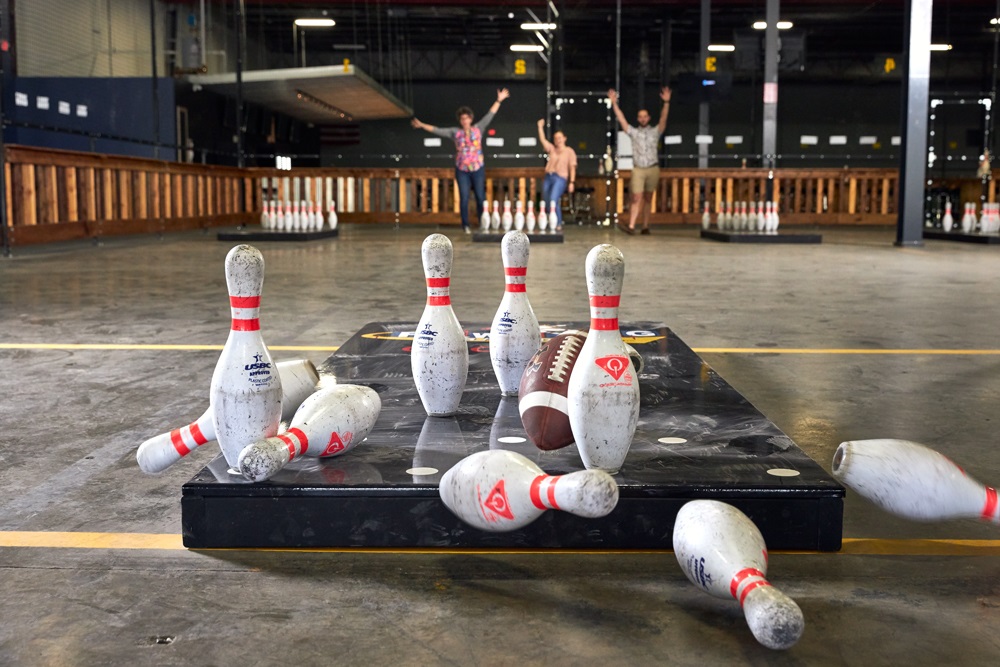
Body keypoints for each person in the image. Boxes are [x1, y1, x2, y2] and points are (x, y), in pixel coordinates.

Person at [411, 89, 511, 233]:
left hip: (477, 168)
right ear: (460, 120)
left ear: (471, 119)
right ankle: (466, 225)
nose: (465, 121)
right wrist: (421, 125)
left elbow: (490, 115)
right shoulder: (455, 132)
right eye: (462, 119)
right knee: (464, 197)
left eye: (467, 118)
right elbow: (437, 130)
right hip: (462, 169)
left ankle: (482, 223)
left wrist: (499, 100)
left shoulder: (478, 129)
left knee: (480, 196)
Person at [608, 86, 671, 235]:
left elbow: (663, 119)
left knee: (649, 197)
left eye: (645, 116)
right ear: (638, 119)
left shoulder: (655, 131)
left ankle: (645, 225)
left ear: (648, 118)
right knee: (636, 196)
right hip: (638, 168)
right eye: (640, 116)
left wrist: (666, 103)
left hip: (653, 167)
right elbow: (622, 120)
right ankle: (631, 225)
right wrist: (614, 104)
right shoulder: (634, 132)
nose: (642, 119)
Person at [536, 119, 578, 231]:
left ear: (564, 138)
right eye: (555, 138)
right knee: (547, 200)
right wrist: (540, 127)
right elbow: (543, 140)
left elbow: (572, 167)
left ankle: (558, 223)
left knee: (553, 199)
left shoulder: (569, 151)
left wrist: (572, 182)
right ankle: (552, 221)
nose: (557, 140)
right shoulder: (552, 149)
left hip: (560, 178)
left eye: (559, 138)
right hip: (548, 176)